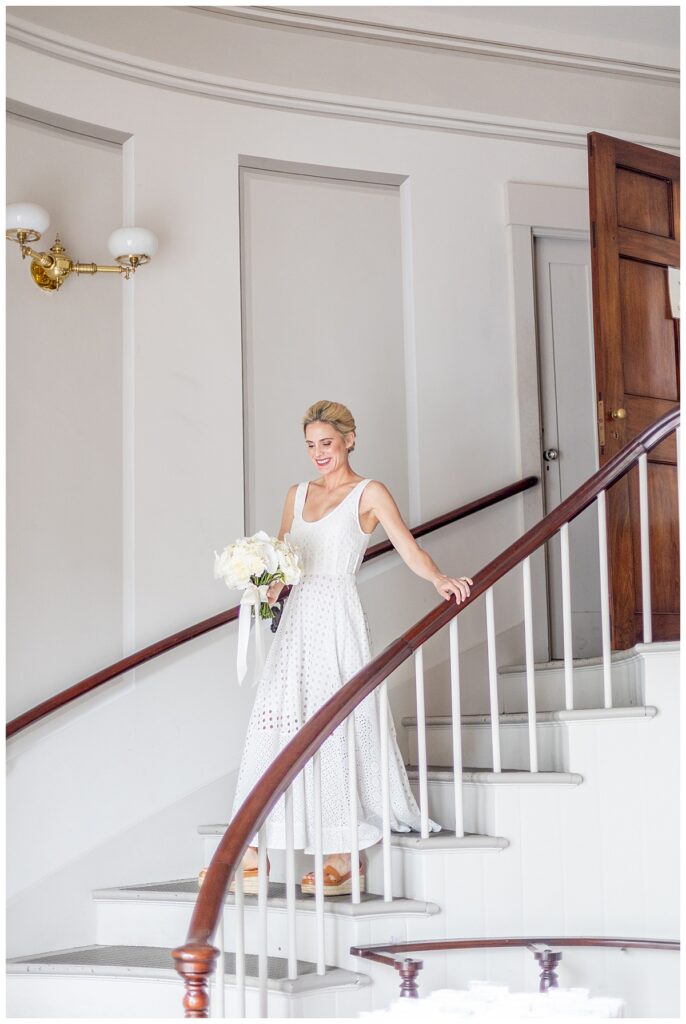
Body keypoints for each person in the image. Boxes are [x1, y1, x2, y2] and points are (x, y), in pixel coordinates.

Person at [216, 400, 472, 897]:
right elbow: (286, 562)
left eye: (326, 444)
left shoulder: (369, 493)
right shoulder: (296, 494)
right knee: (274, 721)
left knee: (335, 727)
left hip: (338, 618)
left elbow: (408, 547)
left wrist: (439, 578)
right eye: (310, 445)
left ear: (350, 440)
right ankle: (250, 851)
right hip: (297, 625)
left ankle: (342, 853)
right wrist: (267, 586)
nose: (318, 454)